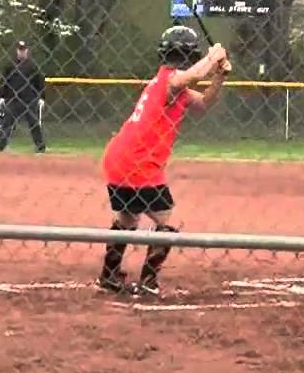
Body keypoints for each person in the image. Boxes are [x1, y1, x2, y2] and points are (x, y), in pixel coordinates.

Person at [97, 26, 230, 298]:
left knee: (128, 217)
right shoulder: (170, 81)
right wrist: (213, 56)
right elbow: (192, 75)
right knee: (164, 218)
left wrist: (220, 76)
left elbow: (204, 103)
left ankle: (109, 275)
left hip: (120, 158)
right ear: (189, 55)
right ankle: (148, 281)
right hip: (138, 162)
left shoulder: (171, 85)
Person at [0, 40, 47, 153]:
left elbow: (40, 82)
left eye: (23, 50)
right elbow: (3, 81)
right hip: (13, 99)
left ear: (27, 51)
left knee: (34, 123)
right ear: (17, 51)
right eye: (20, 50)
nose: (21, 52)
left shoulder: (32, 66)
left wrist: (42, 97)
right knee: (7, 123)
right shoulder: (10, 65)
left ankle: (40, 147)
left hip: (29, 100)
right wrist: (2, 96)